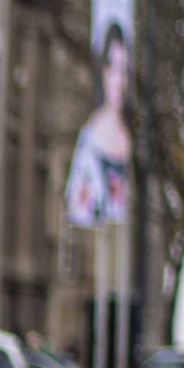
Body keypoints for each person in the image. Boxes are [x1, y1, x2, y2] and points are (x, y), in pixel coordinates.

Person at [64, 23, 133, 227]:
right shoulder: (89, 142)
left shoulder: (128, 137)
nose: (119, 80)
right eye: (114, 68)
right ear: (103, 72)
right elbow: (79, 208)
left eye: (125, 70)